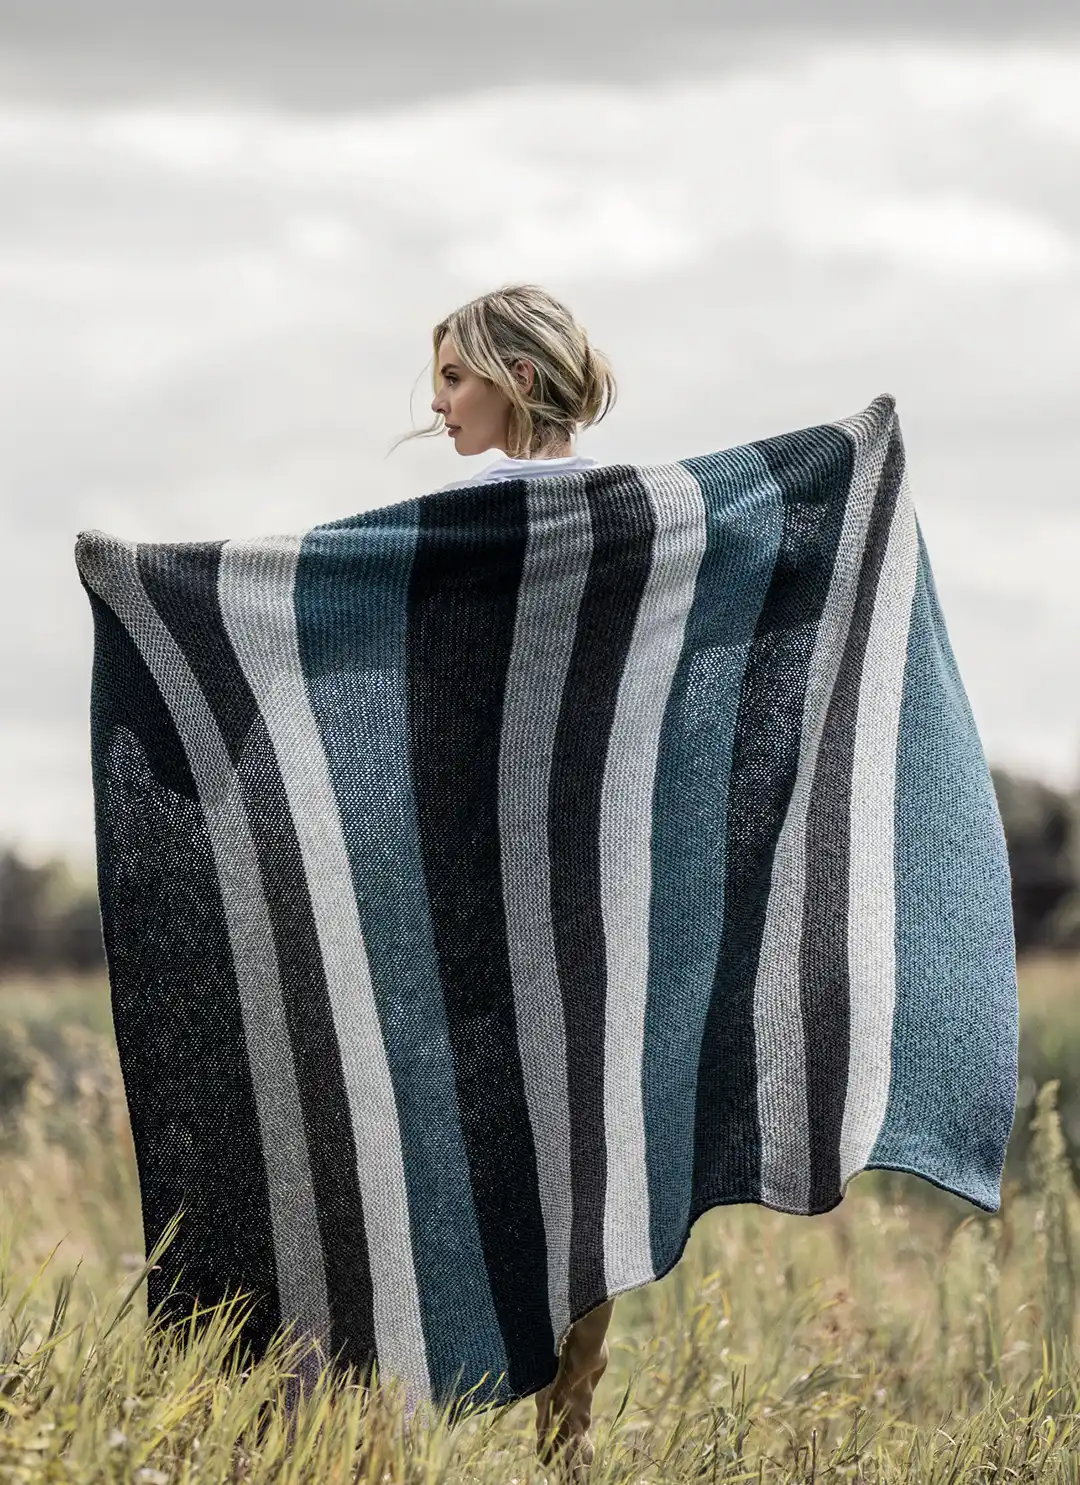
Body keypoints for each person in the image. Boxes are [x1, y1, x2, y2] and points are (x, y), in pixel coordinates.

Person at [394, 283, 618, 1481]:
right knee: (589, 1174)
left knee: (426, 1144)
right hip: (598, 887)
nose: (437, 406)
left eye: (454, 379)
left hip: (467, 887)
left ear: (517, 381)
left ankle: (382, 1424)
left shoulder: (455, 520)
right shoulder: (646, 517)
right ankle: (565, 1450)